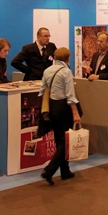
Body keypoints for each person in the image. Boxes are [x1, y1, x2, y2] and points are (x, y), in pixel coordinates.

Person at [39, 47, 81, 185]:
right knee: (66, 140)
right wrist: (75, 113)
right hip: (63, 107)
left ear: (55, 58)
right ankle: (49, 170)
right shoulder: (66, 72)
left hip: (51, 106)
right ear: (68, 58)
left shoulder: (47, 70)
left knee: (58, 138)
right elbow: (70, 95)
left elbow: (42, 90)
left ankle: (65, 171)